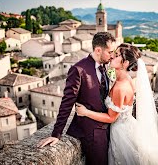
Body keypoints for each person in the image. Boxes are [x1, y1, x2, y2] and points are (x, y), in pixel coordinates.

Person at [76, 43, 158, 165]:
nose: (112, 57)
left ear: (125, 63)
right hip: (129, 126)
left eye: (116, 55)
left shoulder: (120, 88)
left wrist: (86, 112)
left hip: (121, 134)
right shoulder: (127, 79)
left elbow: (111, 117)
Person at [37, 32, 116, 165]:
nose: (113, 56)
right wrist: (56, 134)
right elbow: (67, 103)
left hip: (108, 127)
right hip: (92, 133)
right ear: (98, 50)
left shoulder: (104, 65)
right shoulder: (78, 70)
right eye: (110, 52)